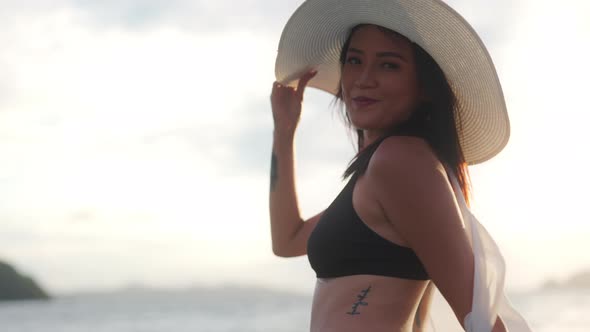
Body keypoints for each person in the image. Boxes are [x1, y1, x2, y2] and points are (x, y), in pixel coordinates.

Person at [269, 0, 532, 331]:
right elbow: (287, 240)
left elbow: (477, 316)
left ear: (423, 87)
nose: (364, 78)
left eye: (388, 65)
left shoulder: (400, 161)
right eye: (354, 60)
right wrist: (284, 131)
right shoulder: (381, 172)